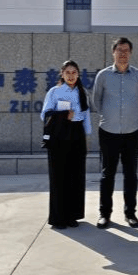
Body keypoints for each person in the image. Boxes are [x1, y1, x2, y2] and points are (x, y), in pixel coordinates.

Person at [92, 37, 138, 229]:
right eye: (119, 50)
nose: (123, 54)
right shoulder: (103, 75)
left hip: (132, 131)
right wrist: (110, 116)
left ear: (130, 53)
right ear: (113, 52)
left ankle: (130, 213)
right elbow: (96, 100)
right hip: (109, 131)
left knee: (131, 174)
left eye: (126, 50)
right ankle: (105, 214)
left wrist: (128, 117)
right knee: (108, 174)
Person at [40, 60, 92, 229]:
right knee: (59, 176)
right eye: (67, 72)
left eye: (74, 72)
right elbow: (45, 114)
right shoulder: (54, 92)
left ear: (78, 74)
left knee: (75, 176)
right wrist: (63, 115)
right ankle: (58, 218)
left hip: (77, 134)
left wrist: (86, 136)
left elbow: (86, 116)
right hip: (59, 135)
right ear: (62, 74)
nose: (71, 76)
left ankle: (72, 215)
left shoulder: (82, 92)